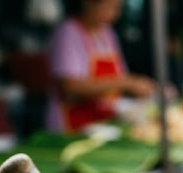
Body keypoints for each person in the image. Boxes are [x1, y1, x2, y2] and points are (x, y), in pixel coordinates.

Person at [46, 0, 155, 133]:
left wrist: (138, 85)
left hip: (103, 124)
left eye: (117, 8)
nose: (114, 14)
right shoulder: (68, 33)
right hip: (71, 127)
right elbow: (71, 86)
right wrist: (127, 83)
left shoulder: (107, 33)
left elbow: (120, 76)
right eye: (109, 7)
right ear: (88, 3)